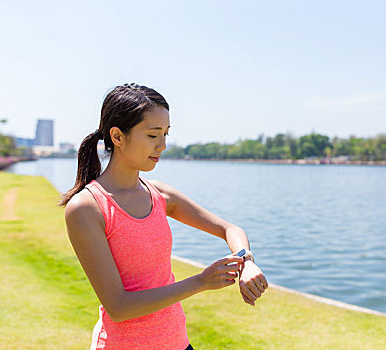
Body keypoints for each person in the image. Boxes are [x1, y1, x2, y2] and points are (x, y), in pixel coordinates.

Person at [60, 83, 268, 349]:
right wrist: (201, 282)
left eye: (166, 134)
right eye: (152, 135)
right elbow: (119, 307)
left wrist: (246, 261)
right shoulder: (87, 208)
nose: (163, 145)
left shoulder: (160, 194)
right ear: (118, 136)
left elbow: (230, 230)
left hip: (178, 343)